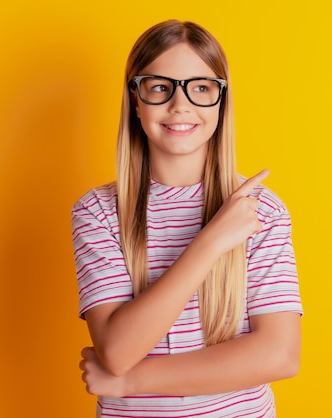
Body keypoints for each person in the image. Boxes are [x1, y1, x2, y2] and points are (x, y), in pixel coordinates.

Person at [71, 20, 303, 417]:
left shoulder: (258, 209)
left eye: (200, 88)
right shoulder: (97, 213)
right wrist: (211, 242)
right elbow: (117, 350)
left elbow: (278, 356)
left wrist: (130, 382)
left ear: (221, 100)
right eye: (160, 87)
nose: (181, 105)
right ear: (135, 100)